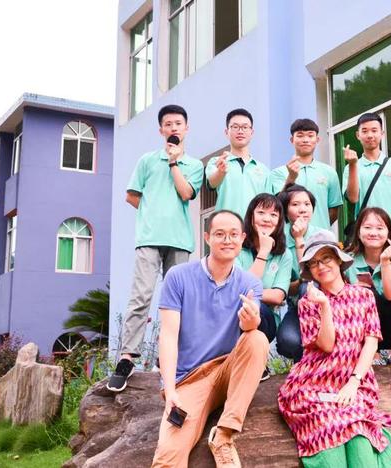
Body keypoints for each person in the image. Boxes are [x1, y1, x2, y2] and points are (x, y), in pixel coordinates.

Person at [278, 230, 391, 467]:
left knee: (358, 434)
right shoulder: (308, 302)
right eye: (314, 263)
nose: (320, 266)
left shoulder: (364, 295)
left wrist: (354, 381)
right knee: (325, 424)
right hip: (315, 380)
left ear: (338, 259)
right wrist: (325, 306)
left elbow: (371, 341)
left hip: (354, 378)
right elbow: (326, 345)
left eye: (326, 258)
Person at [152, 210, 268, 468]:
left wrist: (251, 321)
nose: (227, 240)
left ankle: (224, 434)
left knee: (257, 338)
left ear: (243, 239)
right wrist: (170, 390)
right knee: (168, 457)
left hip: (227, 369)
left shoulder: (250, 283)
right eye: (220, 234)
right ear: (207, 238)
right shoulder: (178, 276)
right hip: (190, 379)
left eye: (234, 234)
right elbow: (168, 336)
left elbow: (249, 328)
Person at [108, 104, 204, 393]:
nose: (173, 128)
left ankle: (169, 358)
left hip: (180, 240)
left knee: (178, 302)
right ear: (161, 130)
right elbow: (131, 196)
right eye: (168, 124)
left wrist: (174, 163)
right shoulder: (147, 161)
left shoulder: (194, 165)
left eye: (178, 123)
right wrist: (151, 212)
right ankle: (127, 358)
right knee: (141, 296)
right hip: (149, 239)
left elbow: (186, 193)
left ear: (187, 128)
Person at [345, 207, 391, 370]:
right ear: (358, 232)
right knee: (366, 294)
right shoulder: (348, 261)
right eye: (367, 227)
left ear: (389, 233)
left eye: (379, 228)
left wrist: (385, 262)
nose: (373, 233)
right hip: (363, 331)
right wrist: (351, 290)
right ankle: (372, 352)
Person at [236, 193, 293, 379]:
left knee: (254, 305)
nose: (267, 219)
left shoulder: (284, 255)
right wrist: (263, 252)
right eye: (261, 213)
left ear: (280, 220)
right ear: (251, 216)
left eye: (273, 215)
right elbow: (238, 289)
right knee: (247, 305)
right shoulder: (237, 247)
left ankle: (257, 364)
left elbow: (278, 296)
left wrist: (247, 292)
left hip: (266, 321)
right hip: (233, 316)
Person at [342, 112, 391, 250]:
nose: (370, 135)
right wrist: (352, 165)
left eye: (374, 130)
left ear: (382, 133)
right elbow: (353, 198)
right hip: (368, 239)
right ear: (358, 135)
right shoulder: (351, 168)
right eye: (365, 131)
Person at [274, 183, 328, 361]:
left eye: (307, 204)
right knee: (288, 341)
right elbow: (283, 289)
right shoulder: (278, 239)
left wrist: (299, 240)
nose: (303, 209)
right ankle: (305, 364)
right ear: (285, 210)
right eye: (295, 204)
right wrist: (298, 284)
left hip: (326, 304)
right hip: (296, 304)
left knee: (308, 286)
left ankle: (319, 358)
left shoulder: (323, 236)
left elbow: (323, 278)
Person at [267, 118, 343, 230]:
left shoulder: (329, 172)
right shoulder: (278, 173)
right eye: (300, 135)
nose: (305, 140)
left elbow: (334, 209)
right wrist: (291, 177)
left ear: (317, 139)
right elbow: (278, 206)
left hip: (320, 236)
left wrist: (315, 229)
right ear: (292, 140)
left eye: (310, 135)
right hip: (288, 236)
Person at [205, 108, 270, 218]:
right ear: (226, 132)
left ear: (252, 132)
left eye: (245, 127)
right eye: (235, 127)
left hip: (253, 227)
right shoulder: (217, 162)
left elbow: (268, 203)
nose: (240, 131)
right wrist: (220, 172)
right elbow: (212, 182)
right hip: (225, 225)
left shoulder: (263, 170)